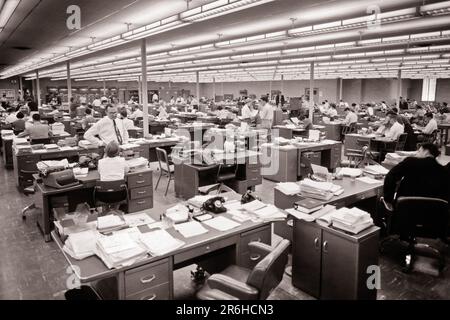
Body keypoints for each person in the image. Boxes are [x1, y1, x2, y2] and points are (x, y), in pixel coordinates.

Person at [383, 143, 450, 211]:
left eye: (419, 151)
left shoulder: (410, 161)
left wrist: (388, 199)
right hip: (432, 213)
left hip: (405, 210)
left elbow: (390, 176)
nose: (416, 154)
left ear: (426, 151)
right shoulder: (444, 170)